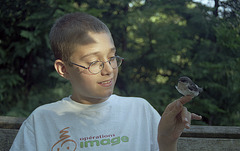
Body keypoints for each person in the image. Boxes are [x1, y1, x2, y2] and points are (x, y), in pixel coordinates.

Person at [10, 12, 202, 151]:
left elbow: (165, 144)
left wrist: (167, 142)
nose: (109, 69)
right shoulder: (41, 121)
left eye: (112, 57)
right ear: (63, 69)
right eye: (94, 62)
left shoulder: (140, 111)